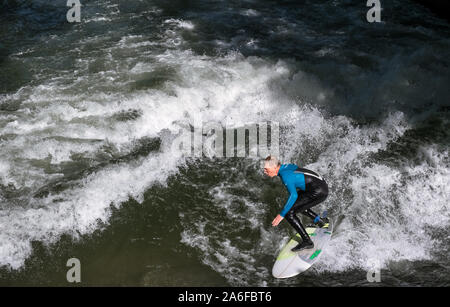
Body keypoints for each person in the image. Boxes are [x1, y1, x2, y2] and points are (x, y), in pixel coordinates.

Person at [263, 155, 329, 252]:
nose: (265, 171)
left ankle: (307, 242)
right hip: (320, 185)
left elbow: (293, 195)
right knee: (299, 204)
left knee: (289, 213)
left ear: (274, 167)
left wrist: (281, 214)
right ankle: (319, 221)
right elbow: (297, 171)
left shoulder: (285, 176)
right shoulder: (285, 167)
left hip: (318, 191)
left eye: (266, 169)